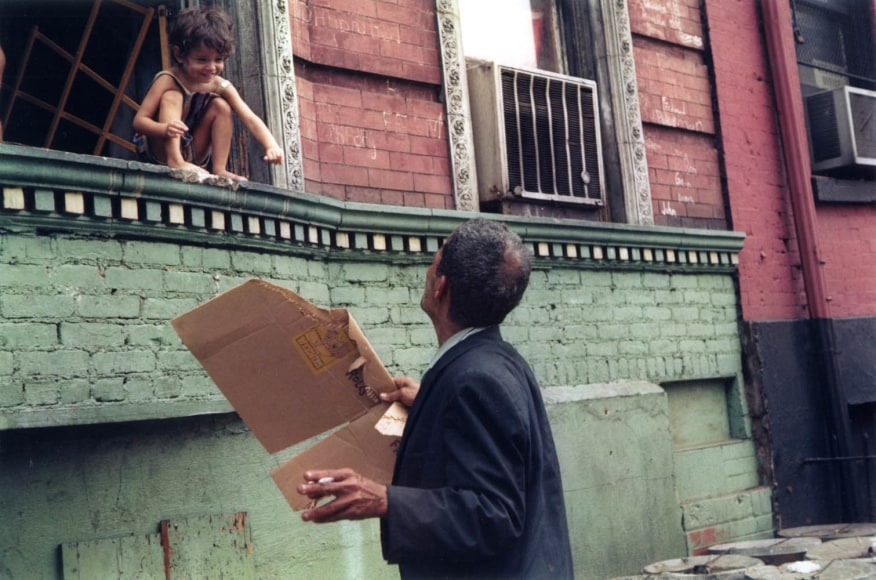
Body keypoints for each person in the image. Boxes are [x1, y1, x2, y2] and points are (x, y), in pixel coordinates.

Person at [298, 218, 574, 578]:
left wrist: (384, 499)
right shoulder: (497, 363)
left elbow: (495, 514)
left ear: (441, 286)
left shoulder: (475, 380)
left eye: (436, 257)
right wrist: (431, 404)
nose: (429, 268)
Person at [132, 7, 283, 180]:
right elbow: (139, 122)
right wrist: (165, 129)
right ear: (179, 54)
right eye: (202, 60)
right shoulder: (167, 79)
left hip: (194, 153)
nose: (211, 68)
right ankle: (176, 160)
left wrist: (271, 145)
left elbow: (249, 118)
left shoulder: (220, 85)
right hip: (159, 151)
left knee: (221, 105)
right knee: (172, 96)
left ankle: (219, 168)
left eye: (218, 60)